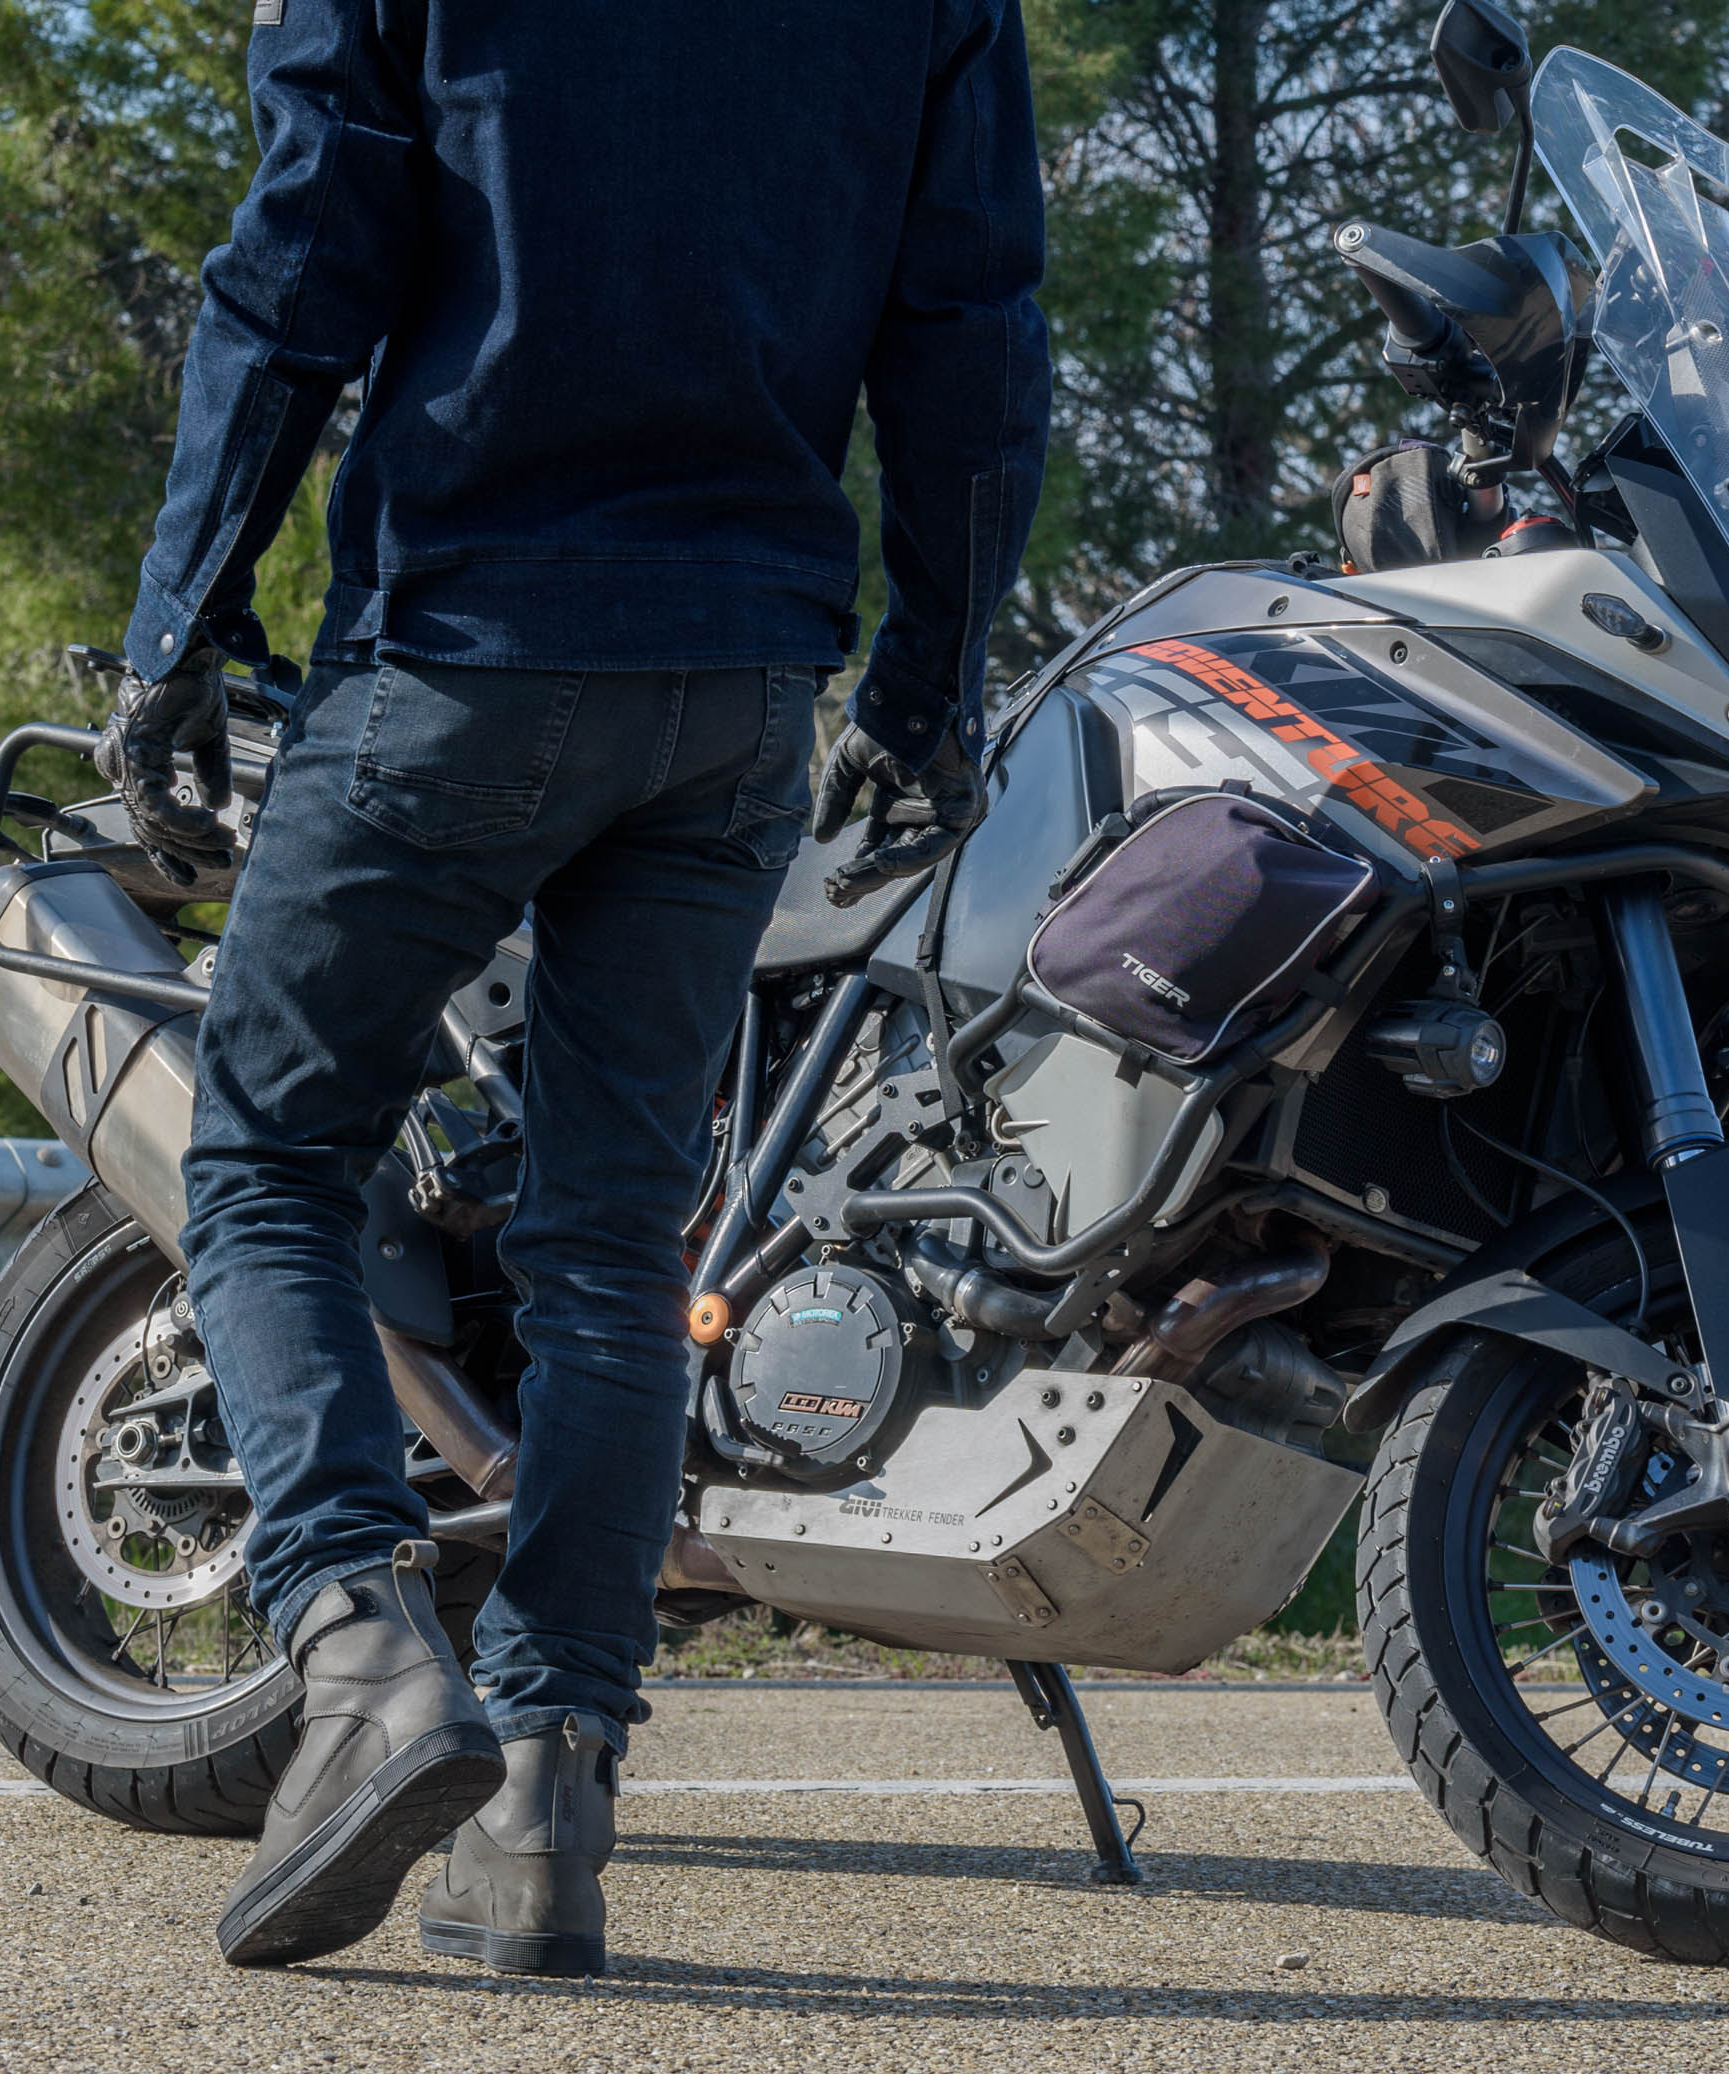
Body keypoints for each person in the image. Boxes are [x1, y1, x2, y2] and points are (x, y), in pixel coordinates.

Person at [94, 2, 1049, 1974]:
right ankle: (544, 1807)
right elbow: (971, 327)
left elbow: (303, 251)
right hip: (738, 686)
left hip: (465, 639)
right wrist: (929, 683)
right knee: (611, 1243)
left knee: (267, 1153)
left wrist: (179, 618)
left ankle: (360, 1647)